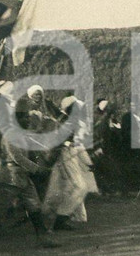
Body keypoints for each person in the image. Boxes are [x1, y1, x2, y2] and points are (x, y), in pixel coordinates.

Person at [0, 110, 60, 251]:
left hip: (22, 176)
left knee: (34, 206)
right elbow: (17, 157)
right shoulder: (11, 135)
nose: (29, 120)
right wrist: (37, 169)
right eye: (25, 117)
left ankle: (43, 238)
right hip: (11, 178)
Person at [42, 96, 98, 228]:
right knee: (79, 187)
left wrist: (88, 162)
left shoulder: (71, 121)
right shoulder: (62, 121)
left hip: (69, 154)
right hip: (63, 155)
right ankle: (61, 217)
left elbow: (76, 144)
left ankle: (60, 216)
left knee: (63, 187)